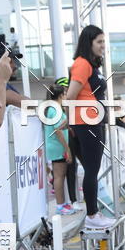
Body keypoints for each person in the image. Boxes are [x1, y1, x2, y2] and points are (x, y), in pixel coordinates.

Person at [66, 24, 115, 229]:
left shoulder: (91, 65)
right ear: (89, 43)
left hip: (90, 122)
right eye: (99, 42)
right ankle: (93, 215)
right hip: (86, 123)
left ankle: (93, 214)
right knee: (92, 171)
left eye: (104, 41)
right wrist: (71, 123)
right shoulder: (82, 63)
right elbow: (70, 96)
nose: (103, 45)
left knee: (91, 170)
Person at [44, 84, 77, 214]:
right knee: (59, 177)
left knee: (60, 176)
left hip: (57, 145)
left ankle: (62, 203)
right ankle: (60, 206)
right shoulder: (54, 109)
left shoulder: (54, 108)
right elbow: (57, 131)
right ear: (61, 95)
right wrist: (67, 149)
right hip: (57, 146)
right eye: (65, 94)